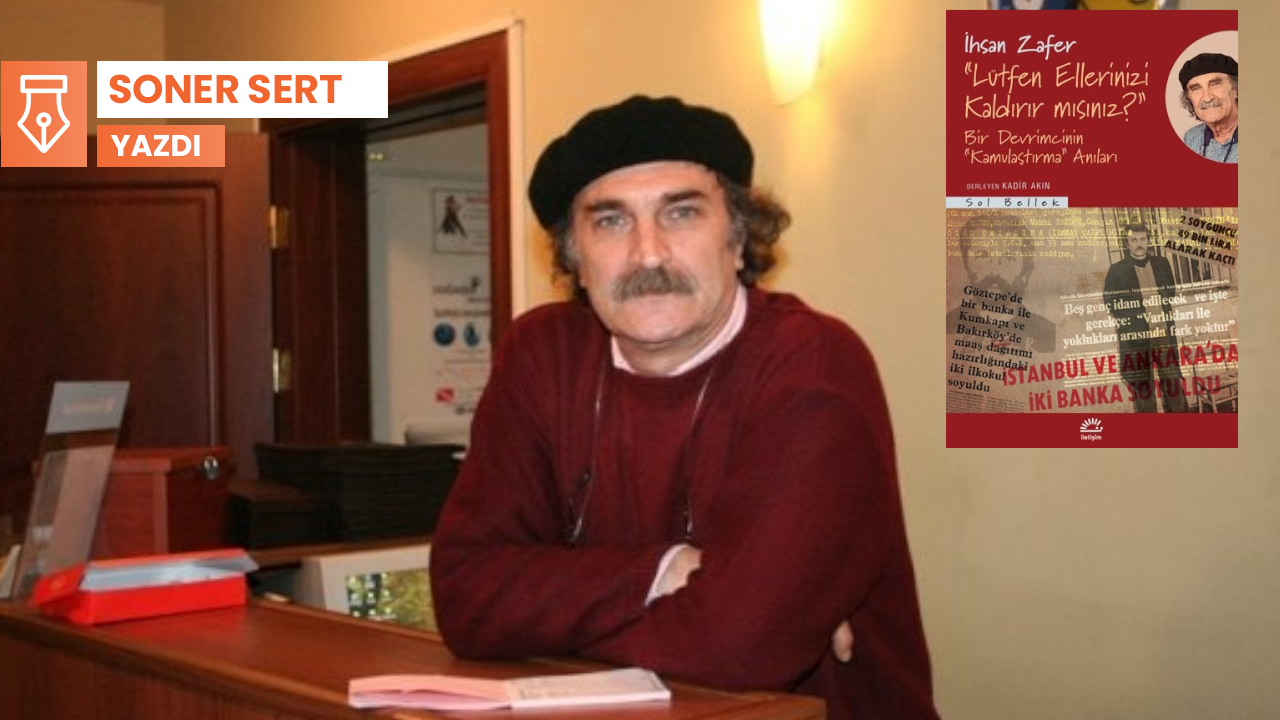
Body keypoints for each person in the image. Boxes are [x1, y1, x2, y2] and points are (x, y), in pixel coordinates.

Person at [429, 95, 939, 720]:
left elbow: (737, 649)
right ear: (575, 259)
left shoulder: (813, 363)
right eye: (610, 221)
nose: (648, 254)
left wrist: (537, 611)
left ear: (738, 238)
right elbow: (464, 594)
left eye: (682, 213)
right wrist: (665, 572)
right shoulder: (541, 355)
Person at [1102, 223, 1190, 413]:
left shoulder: (1162, 263)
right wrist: (1136, 318)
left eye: (1142, 239)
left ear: (1148, 241)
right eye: (1133, 240)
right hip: (1137, 339)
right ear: (1127, 243)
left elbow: (1170, 292)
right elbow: (1110, 303)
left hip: (1163, 334)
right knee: (1143, 390)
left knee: (1173, 385)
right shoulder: (1117, 270)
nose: (1139, 244)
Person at [1177, 52, 1238, 163]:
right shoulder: (1191, 138)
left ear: (1236, 90)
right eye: (1196, 88)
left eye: (1215, 84)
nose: (1207, 98)